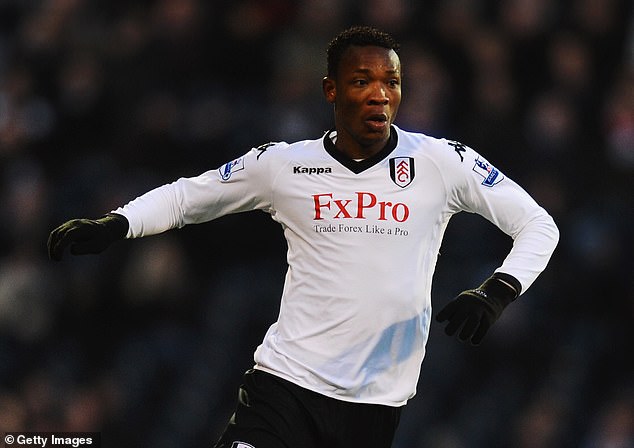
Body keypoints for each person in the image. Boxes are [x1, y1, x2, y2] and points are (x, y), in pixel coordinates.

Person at [48, 26, 559, 448]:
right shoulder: (285, 165)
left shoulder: (441, 162)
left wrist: (498, 290)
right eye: (363, 81)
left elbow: (539, 225)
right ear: (331, 90)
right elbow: (190, 197)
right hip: (284, 386)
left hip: (375, 404)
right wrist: (117, 222)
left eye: (392, 82)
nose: (381, 94)